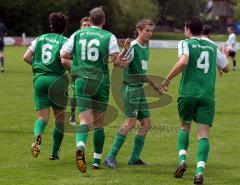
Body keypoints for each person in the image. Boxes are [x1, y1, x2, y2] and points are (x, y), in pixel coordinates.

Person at [161, 17, 229, 185]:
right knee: (203, 134)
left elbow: (183, 61)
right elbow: (226, 68)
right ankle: (199, 171)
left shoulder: (186, 43)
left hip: (188, 93)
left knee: (185, 125)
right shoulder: (213, 46)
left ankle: (183, 160)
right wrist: (223, 57)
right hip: (207, 95)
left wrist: (167, 78)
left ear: (187, 29)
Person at [61, 7, 128, 173]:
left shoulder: (77, 34)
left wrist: (78, 59)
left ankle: (80, 146)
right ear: (104, 21)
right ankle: (97, 161)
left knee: (84, 121)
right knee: (99, 124)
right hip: (100, 81)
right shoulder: (109, 36)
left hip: (82, 80)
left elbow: (63, 54)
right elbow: (115, 60)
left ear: (89, 21)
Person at [105, 19, 161, 169]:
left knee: (146, 123)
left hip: (139, 89)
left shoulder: (145, 48)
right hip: (130, 89)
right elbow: (119, 64)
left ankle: (134, 158)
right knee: (130, 122)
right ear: (139, 31)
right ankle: (110, 156)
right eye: (147, 30)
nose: (150, 33)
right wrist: (124, 50)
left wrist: (156, 86)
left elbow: (142, 73)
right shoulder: (134, 47)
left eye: (151, 31)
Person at [23, 12, 68, 160]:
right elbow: (64, 60)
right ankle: (54, 154)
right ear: (64, 27)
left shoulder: (40, 38)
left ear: (51, 25)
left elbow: (26, 57)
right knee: (60, 119)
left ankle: (38, 136)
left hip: (40, 80)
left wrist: (38, 67)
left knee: (42, 117)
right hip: (57, 81)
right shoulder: (65, 41)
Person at [69, 17, 91, 125]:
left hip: (92, 71)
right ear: (80, 26)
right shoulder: (75, 36)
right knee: (76, 93)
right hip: (78, 70)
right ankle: (72, 113)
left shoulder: (95, 38)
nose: (86, 27)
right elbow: (65, 52)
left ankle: (88, 117)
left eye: (88, 25)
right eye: (84, 25)